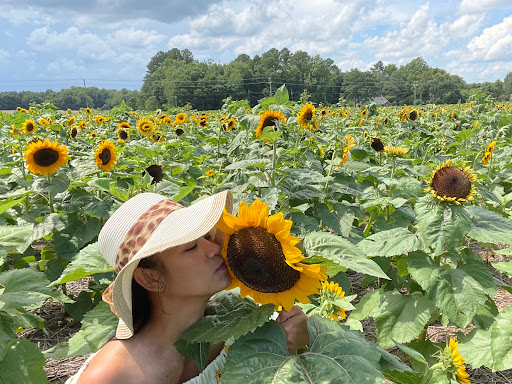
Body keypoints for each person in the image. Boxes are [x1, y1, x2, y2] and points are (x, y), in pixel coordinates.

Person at [66, 190, 309, 384]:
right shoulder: (114, 377)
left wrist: (289, 346)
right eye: (191, 247)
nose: (215, 249)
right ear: (151, 279)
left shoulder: (237, 323)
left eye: (206, 237)